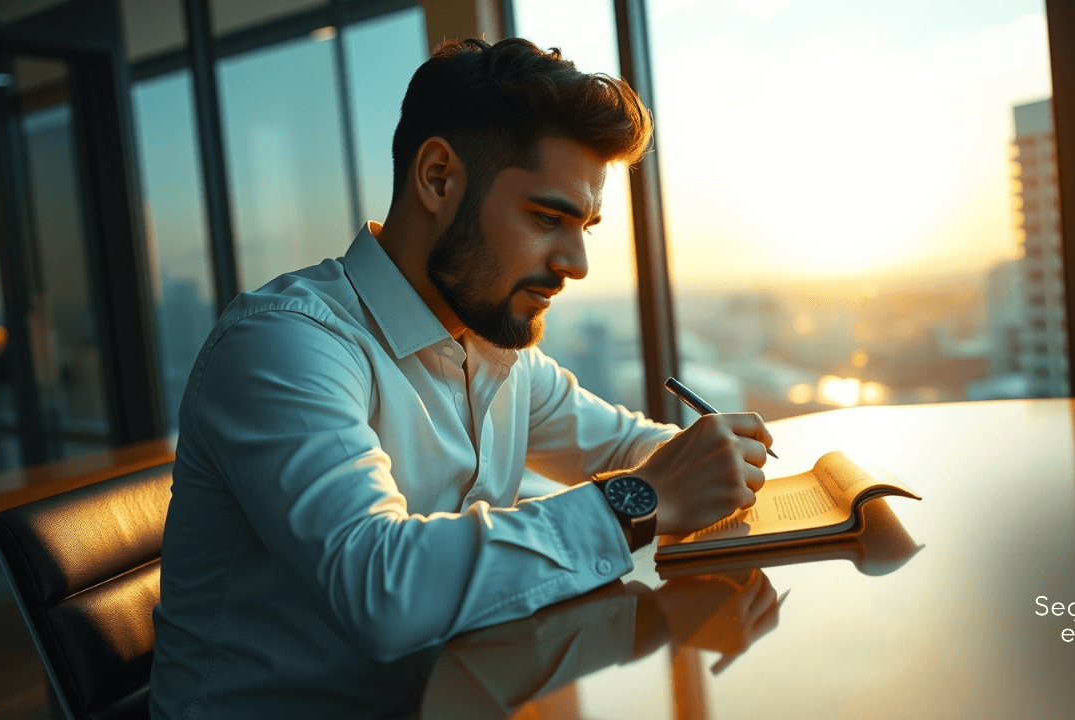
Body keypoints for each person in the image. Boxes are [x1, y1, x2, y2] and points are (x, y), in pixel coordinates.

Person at [149, 37, 773, 719]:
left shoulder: (494, 351)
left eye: (586, 227)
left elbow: (636, 450)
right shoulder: (284, 344)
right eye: (547, 218)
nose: (576, 262)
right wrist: (641, 498)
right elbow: (380, 589)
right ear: (439, 178)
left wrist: (708, 462)